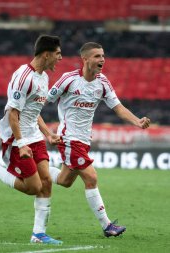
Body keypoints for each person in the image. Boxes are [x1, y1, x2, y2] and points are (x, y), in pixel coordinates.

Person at [46, 42, 151, 237]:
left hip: (85, 140)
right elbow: (43, 100)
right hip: (69, 138)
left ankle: (37, 167)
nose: (102, 59)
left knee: (64, 181)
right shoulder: (68, 79)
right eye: (96, 56)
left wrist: (137, 121)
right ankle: (107, 225)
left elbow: (118, 107)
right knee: (91, 177)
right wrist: (40, 128)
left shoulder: (102, 82)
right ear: (85, 59)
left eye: (102, 55)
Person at [0, 35, 63, 245]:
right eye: (58, 54)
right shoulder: (24, 77)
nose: (60, 58)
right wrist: (21, 144)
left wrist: (47, 134)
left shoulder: (43, 77)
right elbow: (13, 114)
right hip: (15, 138)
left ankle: (38, 234)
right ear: (46, 54)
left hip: (35, 135)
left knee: (47, 181)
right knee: (33, 187)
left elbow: (34, 110)